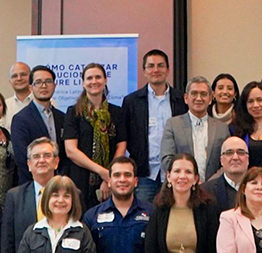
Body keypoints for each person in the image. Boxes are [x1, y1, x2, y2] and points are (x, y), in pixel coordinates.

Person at [2, 138, 63, 253]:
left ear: (56, 161)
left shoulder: (71, 194)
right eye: (36, 157)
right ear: (28, 165)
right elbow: (8, 248)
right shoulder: (14, 197)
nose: (41, 160)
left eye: (47, 155)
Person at [123, 49, 187, 195]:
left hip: (176, 173)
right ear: (144, 71)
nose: (156, 70)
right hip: (145, 174)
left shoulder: (181, 100)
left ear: (168, 70)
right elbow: (125, 137)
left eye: (160, 65)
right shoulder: (132, 102)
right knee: (144, 216)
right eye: (151, 66)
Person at [63, 63, 127, 207]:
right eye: (89, 78)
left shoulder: (117, 113)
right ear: (83, 83)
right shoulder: (74, 113)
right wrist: (102, 171)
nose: (94, 81)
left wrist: (109, 177)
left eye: (98, 77)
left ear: (105, 80)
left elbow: (121, 146)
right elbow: (71, 150)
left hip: (112, 182)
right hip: (81, 181)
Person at [161, 77, 232, 185]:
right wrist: (190, 179)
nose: (199, 98)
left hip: (213, 189)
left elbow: (227, 161)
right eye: (194, 93)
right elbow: (167, 159)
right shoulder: (173, 125)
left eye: (203, 94)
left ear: (210, 99)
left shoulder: (222, 128)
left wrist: (208, 184)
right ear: (186, 98)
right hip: (181, 187)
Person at [10, 66, 73, 186]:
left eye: (48, 81)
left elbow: (66, 154)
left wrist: (59, 179)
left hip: (60, 184)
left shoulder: (62, 117)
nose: (43, 86)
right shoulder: (20, 119)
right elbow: (22, 158)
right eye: (38, 82)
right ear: (31, 88)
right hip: (32, 185)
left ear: (54, 86)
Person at [207, 137, 250, 213]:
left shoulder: (261, 189)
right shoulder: (206, 192)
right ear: (221, 160)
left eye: (240, 152)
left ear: (248, 159)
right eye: (229, 153)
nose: (235, 157)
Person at [1, 61, 33, 130]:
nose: (19, 78)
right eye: (14, 76)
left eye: (23, 74)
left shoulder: (45, 103)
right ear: (10, 81)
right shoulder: (4, 105)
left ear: (31, 78)